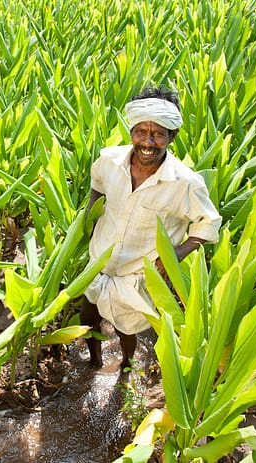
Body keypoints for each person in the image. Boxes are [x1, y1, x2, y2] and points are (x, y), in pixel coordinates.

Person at [80, 86, 222, 370]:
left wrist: (173, 256)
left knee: (126, 329)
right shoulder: (109, 159)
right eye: (140, 132)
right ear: (131, 130)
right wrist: (89, 219)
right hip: (100, 259)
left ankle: (126, 365)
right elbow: (97, 183)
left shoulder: (185, 183)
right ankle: (94, 363)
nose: (147, 141)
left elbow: (209, 223)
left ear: (173, 136)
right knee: (88, 316)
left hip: (137, 270)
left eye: (157, 133)